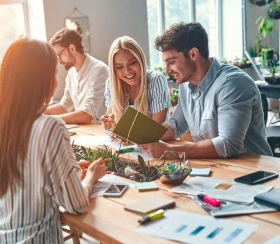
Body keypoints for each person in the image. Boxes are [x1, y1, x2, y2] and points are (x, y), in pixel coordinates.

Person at [0, 38, 107, 243]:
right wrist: (90, 176)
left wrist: (68, 172)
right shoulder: (50, 128)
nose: (56, 81)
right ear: (44, 82)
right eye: (54, 74)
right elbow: (77, 204)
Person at [139, 22, 272, 158]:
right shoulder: (186, 85)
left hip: (253, 172)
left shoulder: (232, 84)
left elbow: (228, 144)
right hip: (216, 166)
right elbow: (176, 124)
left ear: (193, 54)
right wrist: (142, 136)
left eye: (171, 62)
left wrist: (169, 150)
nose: (167, 70)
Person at [100, 36, 171, 139]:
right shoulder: (111, 84)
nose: (127, 71)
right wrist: (109, 127)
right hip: (128, 148)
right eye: (119, 67)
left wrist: (120, 131)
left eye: (132, 63)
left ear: (140, 60)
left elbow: (155, 132)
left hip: (154, 149)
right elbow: (114, 132)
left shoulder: (156, 80)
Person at [44, 28, 109, 124]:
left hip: (99, 134)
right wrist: (37, 113)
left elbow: (87, 115)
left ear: (72, 48)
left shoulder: (100, 70)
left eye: (59, 54)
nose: (59, 60)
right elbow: (65, 106)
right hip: (84, 132)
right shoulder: (71, 73)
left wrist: (49, 120)